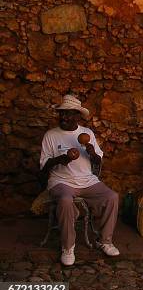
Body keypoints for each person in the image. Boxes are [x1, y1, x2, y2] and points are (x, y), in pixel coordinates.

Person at [40, 94, 120, 266]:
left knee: (112, 197)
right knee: (65, 199)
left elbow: (99, 161)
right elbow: (44, 167)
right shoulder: (51, 135)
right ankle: (68, 247)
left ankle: (105, 241)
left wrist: (91, 152)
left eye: (68, 114)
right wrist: (62, 159)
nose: (64, 117)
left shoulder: (87, 133)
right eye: (62, 113)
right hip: (61, 181)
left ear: (77, 116)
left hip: (87, 181)